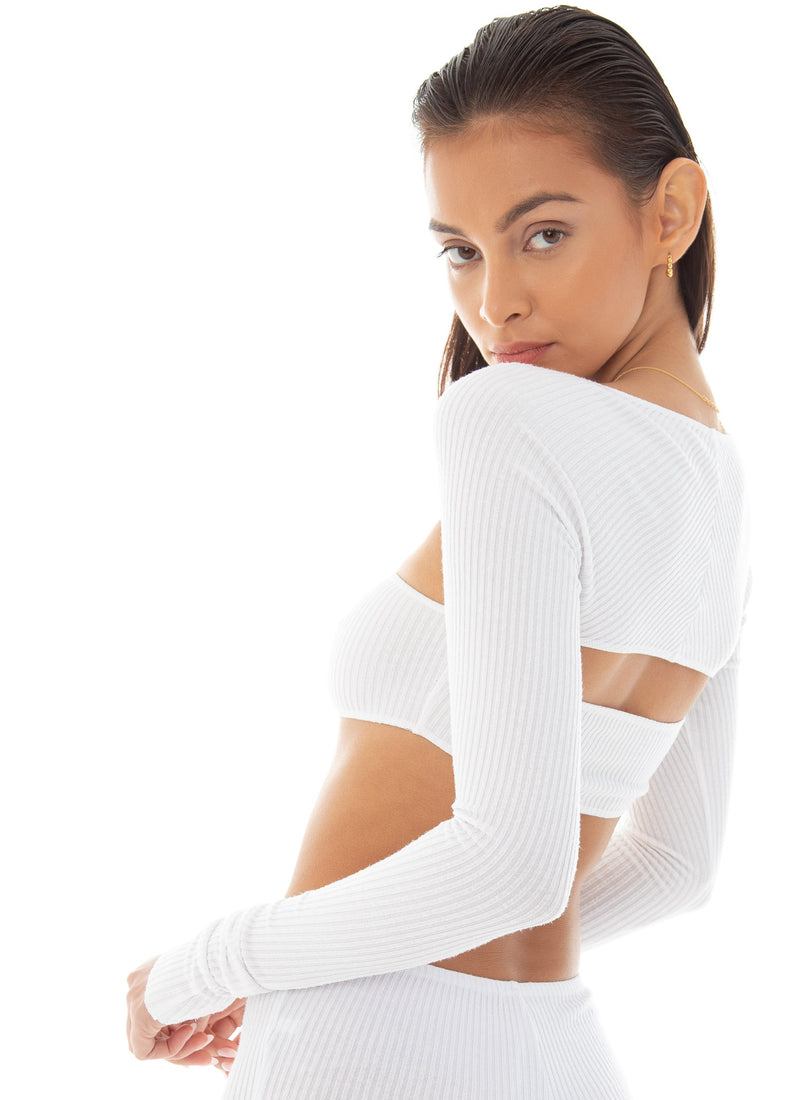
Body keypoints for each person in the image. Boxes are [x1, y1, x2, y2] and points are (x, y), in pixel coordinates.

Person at [125, 6, 752, 1096]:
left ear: (670, 212)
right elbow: (670, 867)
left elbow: (509, 863)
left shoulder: (507, 418)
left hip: (366, 1058)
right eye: (460, 250)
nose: (493, 301)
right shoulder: (716, 485)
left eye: (542, 233)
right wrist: (347, 947)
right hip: (557, 1049)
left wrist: (212, 965)